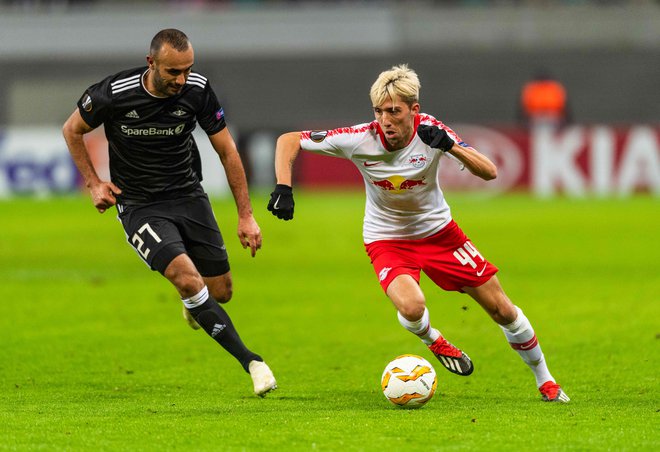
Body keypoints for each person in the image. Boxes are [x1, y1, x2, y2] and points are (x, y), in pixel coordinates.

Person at [268, 64, 569, 403]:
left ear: (414, 110)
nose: (385, 120)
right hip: (387, 239)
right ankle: (434, 340)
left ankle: (546, 380)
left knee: (502, 310)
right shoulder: (359, 139)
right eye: (379, 111)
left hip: (440, 234)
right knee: (412, 308)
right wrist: (283, 186)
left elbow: (490, 172)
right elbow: (288, 140)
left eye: (394, 111)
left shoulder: (432, 131)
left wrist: (451, 147)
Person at [62, 28, 277, 397]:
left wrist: (246, 215)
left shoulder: (197, 90)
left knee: (220, 292)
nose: (181, 79)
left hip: (188, 196)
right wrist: (94, 182)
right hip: (140, 205)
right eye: (173, 72)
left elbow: (227, 151)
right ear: (152, 63)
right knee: (188, 280)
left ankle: (195, 304)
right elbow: (72, 130)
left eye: (187, 69)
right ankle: (252, 362)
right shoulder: (113, 93)